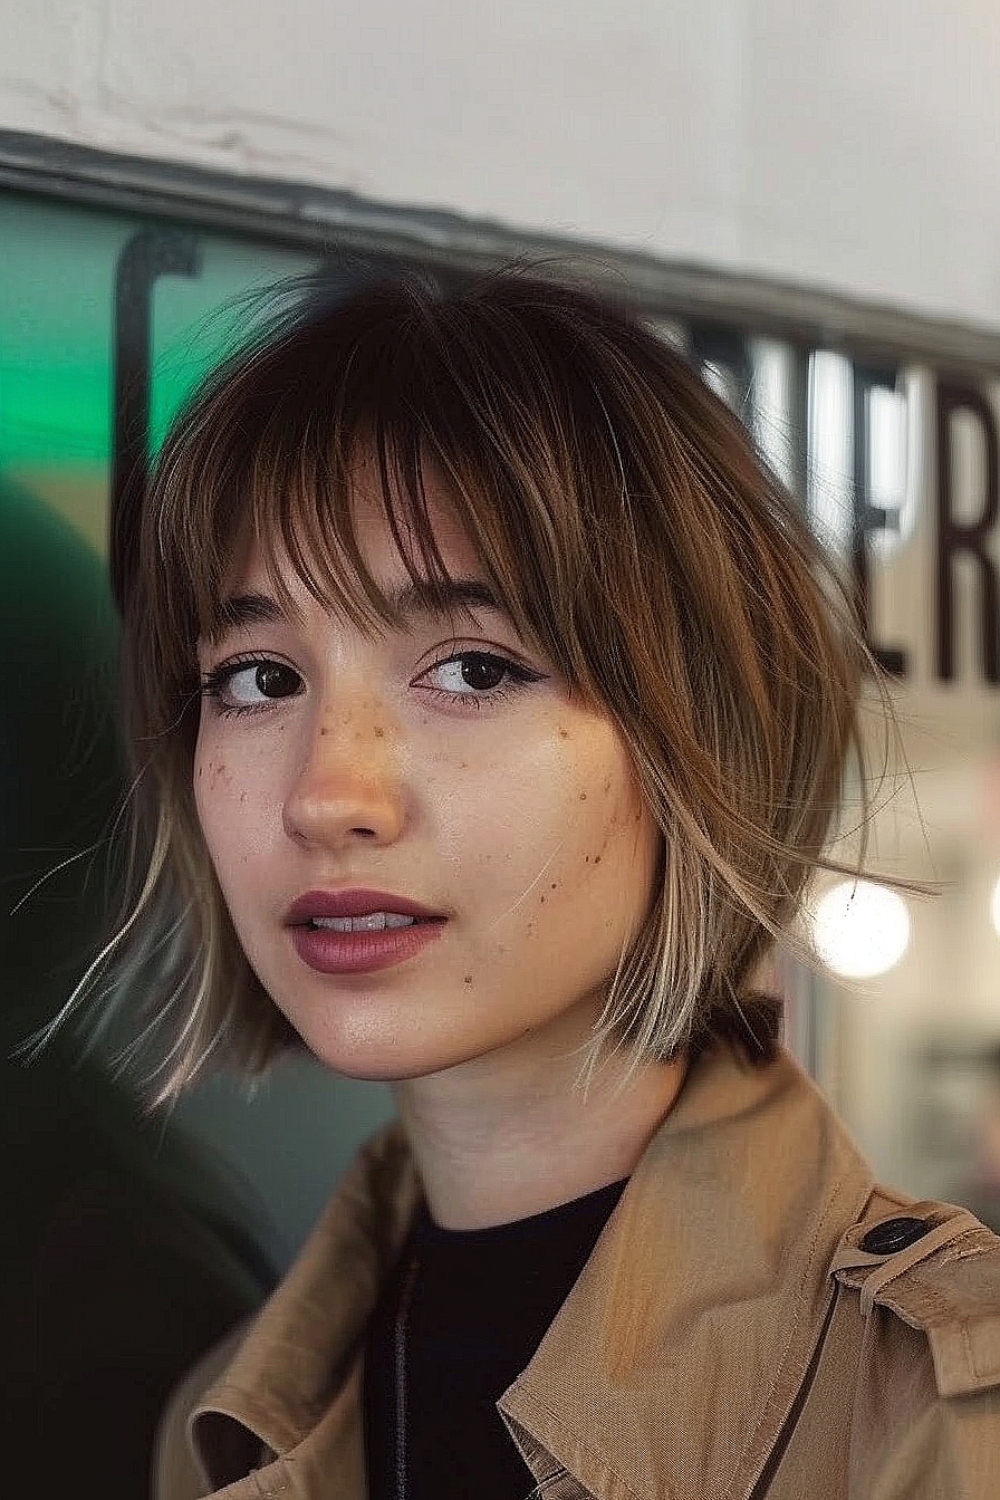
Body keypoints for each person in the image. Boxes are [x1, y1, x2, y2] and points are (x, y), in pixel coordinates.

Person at [62, 266, 1000, 1497]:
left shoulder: (944, 1410)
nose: (325, 794)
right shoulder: (230, 1425)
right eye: (258, 677)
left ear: (696, 741)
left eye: (473, 669)